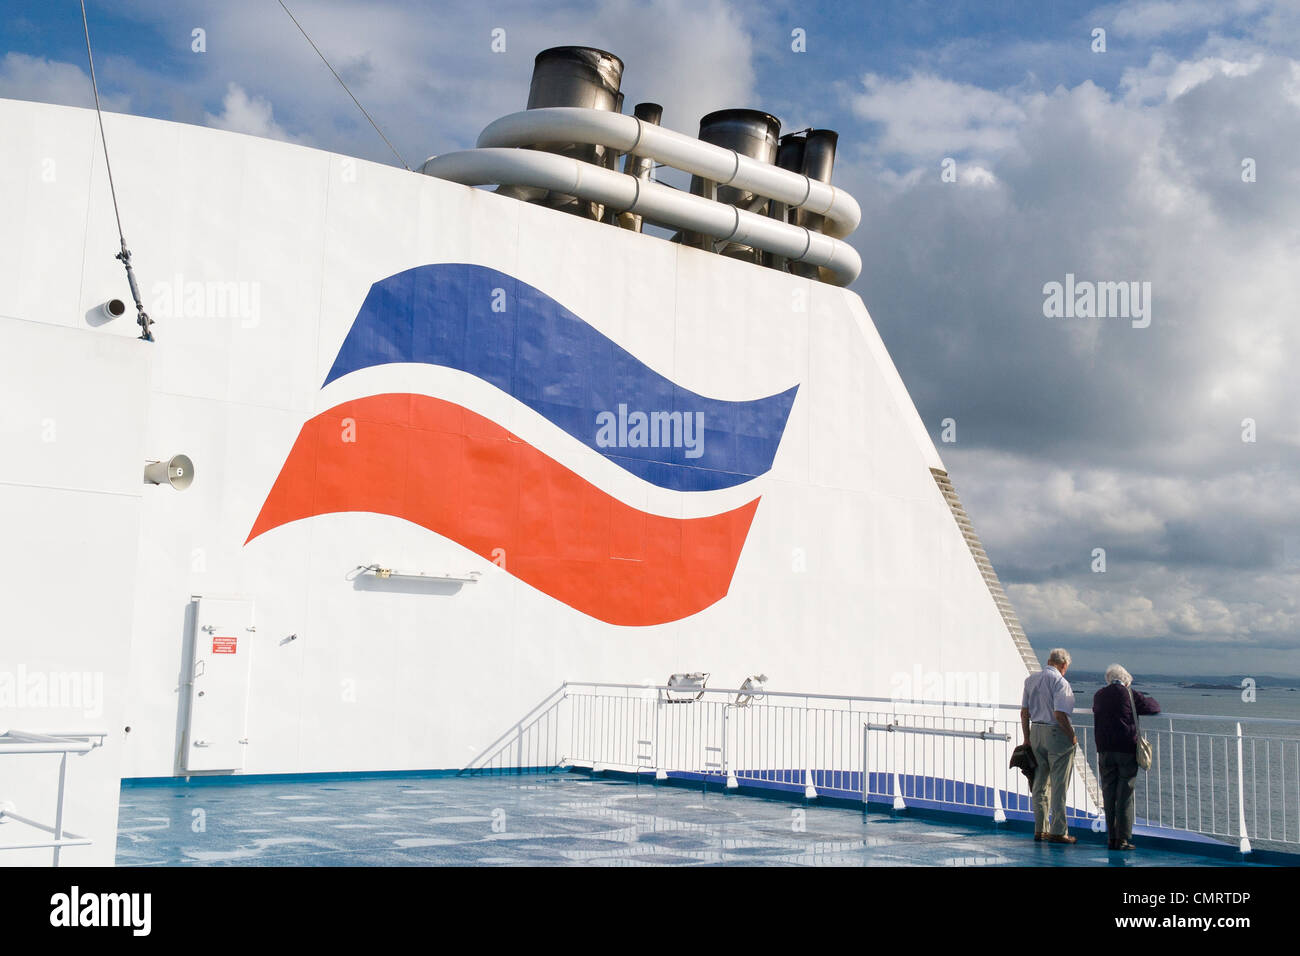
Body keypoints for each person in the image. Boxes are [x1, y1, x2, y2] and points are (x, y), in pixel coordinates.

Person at [1092, 664, 1160, 850]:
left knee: (1108, 793)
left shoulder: (1099, 694)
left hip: (1104, 749)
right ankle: (1122, 839)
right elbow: (1153, 707)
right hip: (1125, 749)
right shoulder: (1129, 694)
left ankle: (1111, 837)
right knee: (1125, 794)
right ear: (1126, 680)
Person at [1020, 648, 1077, 844]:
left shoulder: (1031, 680)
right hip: (1055, 733)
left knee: (1040, 782)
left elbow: (1024, 712)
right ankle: (1059, 831)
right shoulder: (1061, 682)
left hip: (1036, 732)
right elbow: (1060, 714)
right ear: (1064, 665)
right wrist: (1072, 736)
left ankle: (1040, 829)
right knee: (1059, 784)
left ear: (1048, 661)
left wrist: (1027, 738)